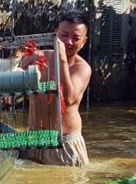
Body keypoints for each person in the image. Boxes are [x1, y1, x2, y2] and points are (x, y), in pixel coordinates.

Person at [18, 11, 92, 167]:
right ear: (55, 34)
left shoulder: (83, 68)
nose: (68, 42)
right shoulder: (39, 57)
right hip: (35, 141)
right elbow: (13, 73)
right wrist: (21, 61)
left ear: (84, 42)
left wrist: (62, 60)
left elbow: (68, 98)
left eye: (75, 38)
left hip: (64, 144)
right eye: (64, 35)